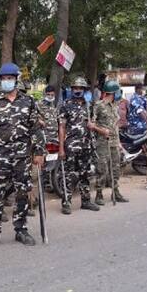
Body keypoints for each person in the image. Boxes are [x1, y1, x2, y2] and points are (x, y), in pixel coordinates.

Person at [0, 62, 45, 249]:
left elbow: (36, 129)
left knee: (22, 192)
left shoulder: (28, 102)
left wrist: (39, 151)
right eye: (3, 78)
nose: (6, 81)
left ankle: (21, 229)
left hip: (22, 157)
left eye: (9, 78)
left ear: (16, 80)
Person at [58, 77, 100, 214]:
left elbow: (93, 124)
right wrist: (61, 148)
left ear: (84, 90)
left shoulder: (89, 106)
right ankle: (66, 202)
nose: (78, 90)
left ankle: (86, 201)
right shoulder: (65, 105)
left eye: (80, 88)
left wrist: (93, 127)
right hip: (70, 146)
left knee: (85, 174)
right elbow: (62, 127)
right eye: (75, 88)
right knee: (69, 175)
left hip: (86, 145)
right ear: (72, 89)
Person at [92, 80, 128, 204]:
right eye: (117, 91)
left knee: (116, 168)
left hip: (114, 142)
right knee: (102, 169)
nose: (119, 93)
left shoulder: (115, 105)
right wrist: (101, 131)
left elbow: (116, 125)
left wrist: (119, 142)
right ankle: (99, 193)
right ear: (111, 92)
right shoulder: (98, 105)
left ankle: (116, 191)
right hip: (102, 142)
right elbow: (91, 124)